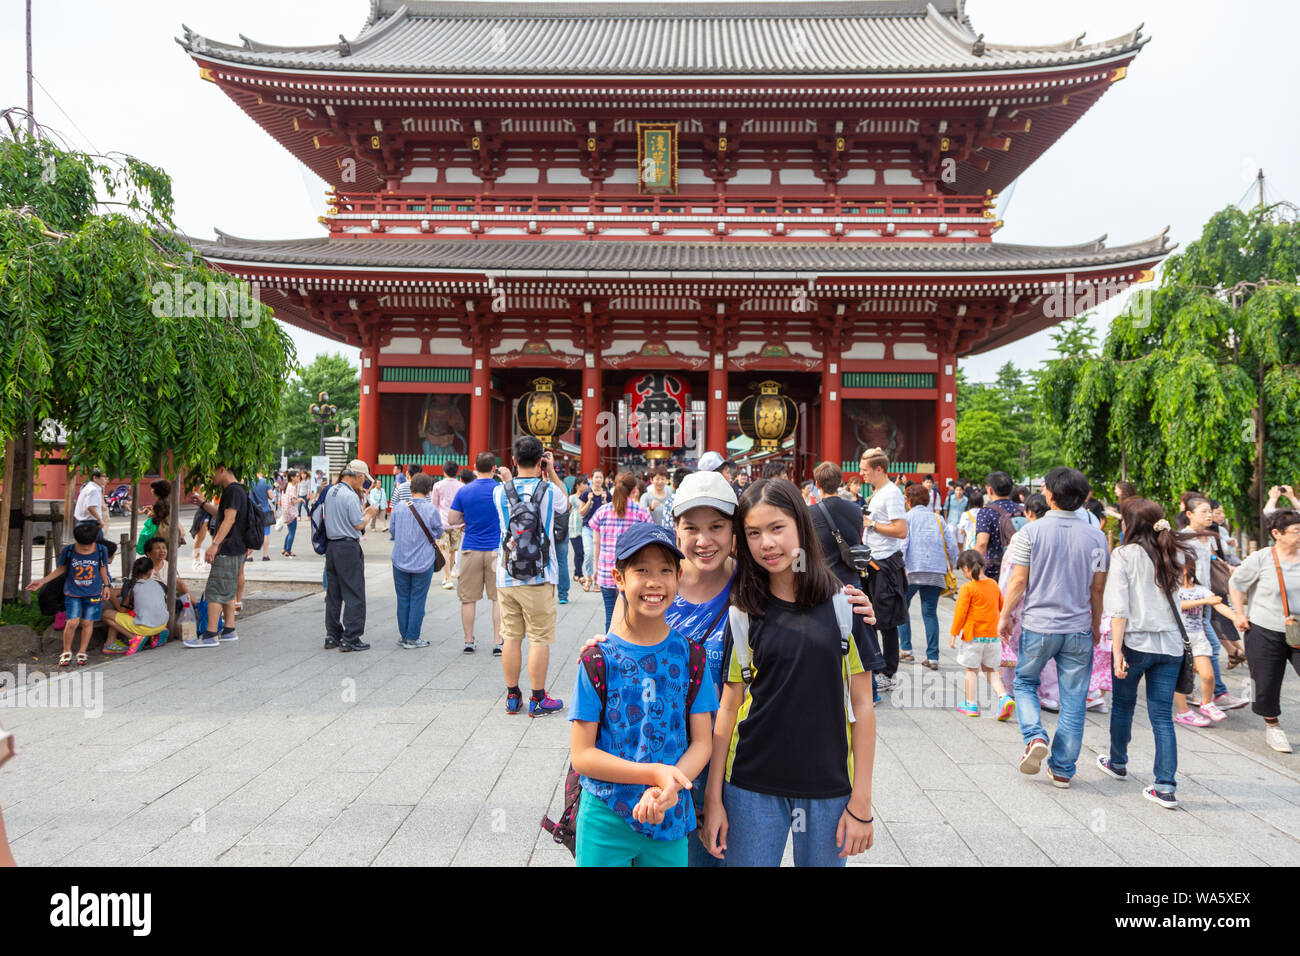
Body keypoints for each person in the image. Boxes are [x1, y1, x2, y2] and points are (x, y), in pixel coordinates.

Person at [702, 478, 878, 867]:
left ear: (800, 524)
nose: (767, 543)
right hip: (750, 784)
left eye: (776, 528)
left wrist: (861, 800)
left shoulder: (845, 607)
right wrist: (713, 798)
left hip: (828, 786)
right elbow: (728, 709)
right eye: (753, 533)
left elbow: (864, 706)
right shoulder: (743, 613)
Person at [568, 523, 719, 867]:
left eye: (666, 570)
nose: (654, 581)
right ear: (618, 578)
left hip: (669, 811)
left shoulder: (692, 657)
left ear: (679, 577)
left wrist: (669, 786)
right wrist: (655, 774)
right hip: (606, 815)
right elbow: (582, 755)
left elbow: (702, 743)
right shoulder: (597, 660)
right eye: (641, 571)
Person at [998, 467, 1109, 789]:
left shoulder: (1029, 534)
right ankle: (1062, 769)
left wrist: (1005, 615)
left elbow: (1018, 580)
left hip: (1038, 625)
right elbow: (1097, 589)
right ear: (1084, 497)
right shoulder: (1097, 536)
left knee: (1024, 682)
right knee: (1074, 699)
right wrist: (1095, 623)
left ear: (1048, 494)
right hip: (1077, 628)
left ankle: (1034, 737)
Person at [1100, 498, 1196, 808]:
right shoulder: (1173, 551)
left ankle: (1118, 762)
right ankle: (1165, 785)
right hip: (1170, 646)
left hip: (1135, 643)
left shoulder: (1125, 555)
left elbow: (1118, 608)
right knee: (1162, 717)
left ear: (1128, 525)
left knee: (1124, 705)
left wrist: (1116, 651)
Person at [494, 436, 569, 716]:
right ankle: (538, 699)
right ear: (541, 461)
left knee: (510, 637)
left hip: (507, 574)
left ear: (513, 461)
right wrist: (550, 473)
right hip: (540, 575)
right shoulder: (550, 491)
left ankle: (513, 696)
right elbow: (566, 506)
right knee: (539, 638)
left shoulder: (499, 492)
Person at [1228, 507, 1300, 753]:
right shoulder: (1262, 558)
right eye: (1296, 531)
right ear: (1277, 533)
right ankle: (1273, 727)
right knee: (1265, 682)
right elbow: (1236, 583)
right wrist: (1239, 612)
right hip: (1264, 630)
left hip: (1298, 630)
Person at [1177, 495, 1248, 710]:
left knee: (1194, 649)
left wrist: (1226, 567)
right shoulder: (1184, 538)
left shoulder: (1206, 537)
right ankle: (1217, 693)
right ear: (1189, 515)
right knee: (1211, 646)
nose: (1210, 515)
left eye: (1211, 511)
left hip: (1206, 599)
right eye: (1204, 512)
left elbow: (1210, 560)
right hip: (1191, 600)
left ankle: (1191, 690)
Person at [24, 521, 111, 667]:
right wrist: (43, 581)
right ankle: (66, 651)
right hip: (73, 592)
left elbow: (102, 567)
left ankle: (82, 651)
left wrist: (106, 585)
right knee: (72, 622)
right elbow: (61, 569)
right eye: (83, 544)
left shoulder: (101, 550)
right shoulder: (69, 551)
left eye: (89, 544)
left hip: (93, 592)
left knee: (87, 622)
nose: (86, 548)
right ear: (76, 540)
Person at [860, 451, 909, 691]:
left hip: (886, 563)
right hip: (872, 561)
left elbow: (901, 530)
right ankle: (877, 666)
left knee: (886, 620)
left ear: (879, 469)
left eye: (865, 469)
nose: (862, 474)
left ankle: (888, 672)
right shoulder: (877, 492)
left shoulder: (892, 493)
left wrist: (872, 525)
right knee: (871, 616)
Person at [448, 453, 504, 655]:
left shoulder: (465, 491)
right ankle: (498, 641)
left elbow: (452, 518)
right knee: (497, 598)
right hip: (495, 550)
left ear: (474, 467)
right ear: (494, 469)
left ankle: (469, 640)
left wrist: (466, 519)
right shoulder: (500, 490)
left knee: (468, 599)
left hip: (471, 548)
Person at [190, 465, 252, 648]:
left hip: (229, 547)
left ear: (222, 469)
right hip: (238, 547)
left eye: (211, 472)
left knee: (215, 589)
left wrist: (215, 544)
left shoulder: (232, 490)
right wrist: (203, 504)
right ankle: (229, 629)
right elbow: (223, 514)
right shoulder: (237, 490)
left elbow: (229, 519)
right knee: (228, 588)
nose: (210, 477)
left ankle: (210, 634)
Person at [321, 460, 379, 653]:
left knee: (334, 593)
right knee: (354, 592)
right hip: (348, 547)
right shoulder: (350, 496)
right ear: (358, 476)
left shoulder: (331, 491)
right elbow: (358, 525)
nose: (363, 484)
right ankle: (351, 637)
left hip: (332, 546)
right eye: (363, 479)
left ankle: (332, 635)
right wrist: (370, 513)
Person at [900, 481, 959, 671]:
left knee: (903, 608)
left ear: (909, 501)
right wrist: (953, 564)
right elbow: (950, 545)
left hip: (912, 570)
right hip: (935, 570)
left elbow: (903, 545)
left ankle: (906, 649)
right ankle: (933, 656)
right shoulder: (938, 519)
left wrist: (898, 567)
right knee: (930, 613)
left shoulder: (907, 518)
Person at [950, 550, 1014, 720]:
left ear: (965, 568)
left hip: (974, 637)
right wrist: (1007, 628)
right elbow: (1002, 607)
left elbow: (961, 613)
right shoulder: (993, 584)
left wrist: (954, 632)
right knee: (990, 670)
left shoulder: (968, 588)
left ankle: (970, 704)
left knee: (971, 670)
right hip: (993, 637)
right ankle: (1004, 697)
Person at [1172, 563, 1236, 727]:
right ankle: (1183, 712)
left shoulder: (1200, 589)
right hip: (1177, 638)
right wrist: (1205, 601)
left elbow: (1218, 604)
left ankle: (1207, 704)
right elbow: (1178, 606)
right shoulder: (1172, 588)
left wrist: (1237, 618)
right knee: (1179, 678)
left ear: (1186, 569)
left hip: (1198, 638)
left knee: (1208, 675)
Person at [389, 471, 443, 649]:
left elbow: (393, 532)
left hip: (400, 558)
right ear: (428, 490)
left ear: (411, 488)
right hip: (423, 560)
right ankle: (413, 637)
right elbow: (439, 532)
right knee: (418, 598)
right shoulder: (431, 509)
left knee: (403, 598)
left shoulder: (399, 508)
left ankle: (404, 635)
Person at [591, 472, 651, 630]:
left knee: (610, 616)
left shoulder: (602, 512)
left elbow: (596, 541)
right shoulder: (641, 513)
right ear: (634, 490)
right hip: (631, 574)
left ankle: (609, 649)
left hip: (606, 570)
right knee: (630, 616)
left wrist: (595, 568)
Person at [101, 556, 171, 656]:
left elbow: (121, 611)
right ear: (150, 571)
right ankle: (156, 635)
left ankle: (134, 638)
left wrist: (112, 597)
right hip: (163, 624)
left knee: (106, 614)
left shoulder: (133, 587)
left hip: (146, 627)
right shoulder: (158, 584)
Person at [974, 470, 1023, 582]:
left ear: (990, 490)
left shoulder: (986, 512)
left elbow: (982, 544)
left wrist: (976, 572)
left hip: (994, 571)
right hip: (1020, 568)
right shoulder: (1022, 510)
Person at [433, 463, 463, 590]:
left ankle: (448, 578)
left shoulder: (438, 485)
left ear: (444, 471)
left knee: (444, 550)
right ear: (457, 472)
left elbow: (434, 505)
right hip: (457, 523)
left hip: (442, 523)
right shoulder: (461, 486)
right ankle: (447, 576)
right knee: (452, 552)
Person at [579, 469, 609, 589]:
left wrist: (605, 501)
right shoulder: (586, 494)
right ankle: (589, 579)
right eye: (596, 477)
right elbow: (581, 512)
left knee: (600, 555)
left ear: (603, 480)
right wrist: (589, 500)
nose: (598, 480)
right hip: (588, 528)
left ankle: (598, 581)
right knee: (589, 554)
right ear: (592, 479)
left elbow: (610, 512)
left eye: (600, 477)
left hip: (602, 530)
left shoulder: (606, 494)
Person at [569, 475, 589, 590]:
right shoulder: (571, 498)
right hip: (573, 526)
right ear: (578, 486)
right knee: (578, 551)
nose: (586, 486)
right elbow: (566, 511)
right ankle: (580, 574)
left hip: (584, 526)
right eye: (583, 484)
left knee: (582, 551)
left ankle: (577, 573)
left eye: (586, 484)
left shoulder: (586, 497)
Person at [251, 470, 275, 561]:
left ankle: (249, 556)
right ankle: (265, 555)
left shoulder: (249, 481)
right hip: (264, 510)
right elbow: (271, 496)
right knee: (266, 533)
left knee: (251, 531)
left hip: (252, 510)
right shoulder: (266, 481)